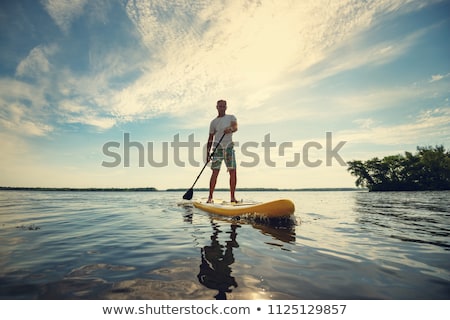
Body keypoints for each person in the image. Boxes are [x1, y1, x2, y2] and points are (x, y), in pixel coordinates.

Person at [206, 99, 238, 203]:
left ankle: (232, 198)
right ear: (217, 107)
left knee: (233, 172)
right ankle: (210, 197)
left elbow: (235, 127)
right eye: (220, 106)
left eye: (224, 106)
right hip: (217, 149)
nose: (222, 108)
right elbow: (210, 138)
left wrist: (231, 129)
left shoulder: (231, 117)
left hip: (229, 148)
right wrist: (207, 153)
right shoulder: (213, 122)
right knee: (215, 172)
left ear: (226, 107)